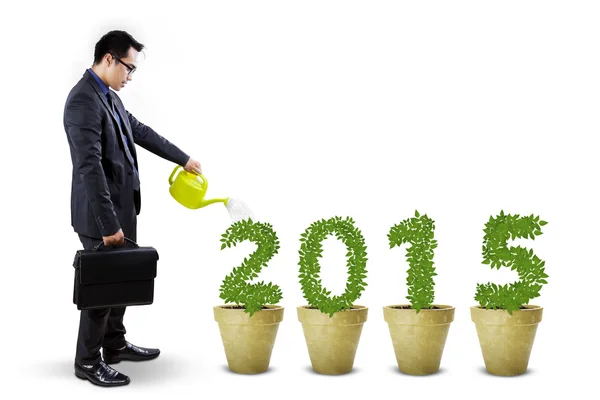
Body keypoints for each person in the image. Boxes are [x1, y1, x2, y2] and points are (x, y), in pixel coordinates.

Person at [63, 30, 201, 387]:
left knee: (120, 282)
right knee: (102, 288)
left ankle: (115, 344)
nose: (129, 76)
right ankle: (88, 361)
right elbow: (89, 168)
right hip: (100, 214)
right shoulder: (83, 101)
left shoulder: (110, 98)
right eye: (128, 67)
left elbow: (140, 130)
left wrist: (182, 158)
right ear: (109, 58)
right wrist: (109, 225)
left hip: (123, 208)